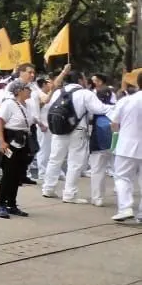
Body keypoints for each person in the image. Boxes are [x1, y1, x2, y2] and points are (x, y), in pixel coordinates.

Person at [41, 70, 112, 203]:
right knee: (74, 162)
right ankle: (69, 194)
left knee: (55, 159)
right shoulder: (85, 93)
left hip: (59, 129)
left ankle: (48, 188)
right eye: (84, 78)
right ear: (80, 80)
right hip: (78, 130)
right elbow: (100, 109)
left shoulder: (58, 92)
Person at [0, 80, 35, 218]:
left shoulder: (26, 105)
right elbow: (0, 122)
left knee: (17, 175)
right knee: (8, 174)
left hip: (22, 141)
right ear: (18, 91)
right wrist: (2, 142)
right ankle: (1, 204)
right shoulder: (9, 104)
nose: (29, 91)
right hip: (10, 140)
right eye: (27, 88)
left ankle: (11, 204)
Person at [110, 71, 142, 222]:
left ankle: (125, 208)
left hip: (127, 145)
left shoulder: (126, 100)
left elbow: (114, 124)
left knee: (122, 177)